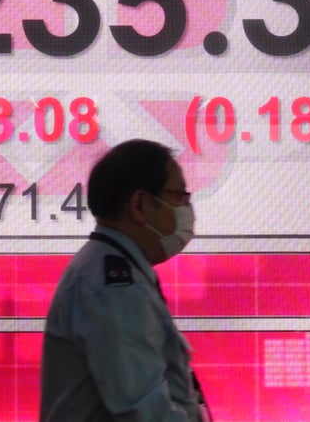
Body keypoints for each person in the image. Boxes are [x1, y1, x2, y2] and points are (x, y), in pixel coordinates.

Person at [40, 139, 210, 421]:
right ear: (140, 205)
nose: (186, 208)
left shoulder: (115, 269)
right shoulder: (113, 287)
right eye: (178, 196)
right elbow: (144, 411)